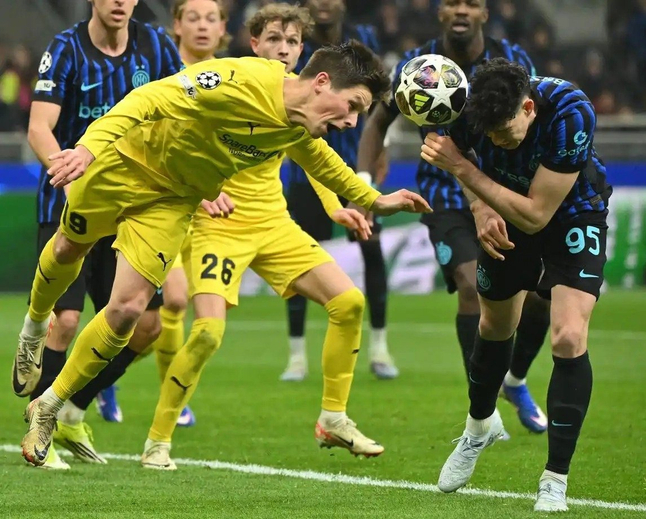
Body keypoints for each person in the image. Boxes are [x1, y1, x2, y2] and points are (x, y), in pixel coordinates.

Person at [16, 37, 431, 468]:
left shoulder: (297, 126)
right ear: (322, 82)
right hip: (124, 166)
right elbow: (147, 98)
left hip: (173, 202)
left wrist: (375, 200)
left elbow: (323, 163)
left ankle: (50, 405)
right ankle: (34, 327)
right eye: (352, 106)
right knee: (68, 248)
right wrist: (89, 147)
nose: (351, 121)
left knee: (127, 311)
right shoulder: (237, 79)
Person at [142, 2, 401, 470]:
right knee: (206, 331)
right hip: (217, 222)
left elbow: (314, 157)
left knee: (348, 302)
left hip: (273, 222)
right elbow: (176, 134)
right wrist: (199, 189)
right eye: (275, 40)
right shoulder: (230, 83)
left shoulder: (303, 100)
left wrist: (336, 206)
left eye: (293, 42)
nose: (284, 50)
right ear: (254, 43)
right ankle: (158, 440)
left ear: (303, 52)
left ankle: (334, 417)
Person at [422, 58, 611, 511]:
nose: (496, 141)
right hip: (504, 211)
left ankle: (555, 480)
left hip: (571, 214)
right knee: (494, 326)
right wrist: (480, 208)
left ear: (528, 107)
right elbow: (460, 158)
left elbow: (536, 214)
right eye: (488, 134)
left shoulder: (571, 112)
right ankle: (479, 428)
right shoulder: (469, 109)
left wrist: (465, 170)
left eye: (505, 132)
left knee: (568, 337)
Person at [357, 0, 551, 434]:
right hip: (444, 194)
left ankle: (515, 381)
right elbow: (377, 122)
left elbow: (537, 119)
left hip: (506, 190)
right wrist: (365, 186)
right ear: (440, 12)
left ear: (485, 14)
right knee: (471, 286)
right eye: (452, 2)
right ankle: (484, 408)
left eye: (472, 3)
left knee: (541, 296)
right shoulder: (416, 64)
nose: (461, 10)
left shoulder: (514, 59)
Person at [14, 0, 182, 469]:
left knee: (146, 325)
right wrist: (68, 176)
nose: (119, 2)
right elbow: (39, 127)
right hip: (70, 198)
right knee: (66, 320)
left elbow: (184, 113)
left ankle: (72, 407)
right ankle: (41, 423)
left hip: (134, 203)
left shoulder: (156, 47)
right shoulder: (66, 49)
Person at [282, 0, 398, 382]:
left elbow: (380, 104)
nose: (323, 3)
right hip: (305, 172)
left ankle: (379, 349)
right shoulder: (298, 46)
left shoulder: (363, 41)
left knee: (372, 252)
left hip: (355, 166)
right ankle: (296, 356)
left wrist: (379, 153)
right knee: (300, 259)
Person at [146, 0, 232, 429]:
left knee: (204, 318)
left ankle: (106, 371)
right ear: (176, 26)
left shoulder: (234, 78)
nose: (202, 26)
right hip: (168, 201)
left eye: (211, 18)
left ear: (223, 29)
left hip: (214, 212)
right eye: (192, 18)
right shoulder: (163, 72)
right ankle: (171, 399)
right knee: (175, 300)